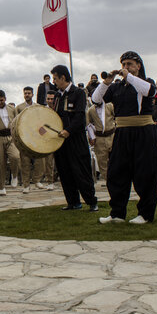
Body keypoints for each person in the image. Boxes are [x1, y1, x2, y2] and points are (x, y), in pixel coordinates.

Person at [93, 51, 157, 225]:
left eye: (130, 64)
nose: (126, 67)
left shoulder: (145, 83)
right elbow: (96, 99)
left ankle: (145, 214)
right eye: (124, 64)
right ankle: (117, 213)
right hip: (122, 132)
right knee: (116, 172)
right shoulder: (117, 87)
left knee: (145, 173)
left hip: (143, 131)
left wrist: (128, 76)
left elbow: (149, 91)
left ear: (138, 66)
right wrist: (106, 83)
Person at [51, 65, 98, 212]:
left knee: (81, 171)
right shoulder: (58, 95)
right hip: (61, 140)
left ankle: (92, 202)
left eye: (55, 78)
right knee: (65, 172)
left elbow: (79, 117)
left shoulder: (78, 93)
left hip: (76, 139)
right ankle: (73, 202)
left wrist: (68, 131)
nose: (54, 82)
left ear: (63, 77)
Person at [14, 86, 45, 193]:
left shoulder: (38, 107)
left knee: (39, 160)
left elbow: (42, 122)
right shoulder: (19, 108)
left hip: (36, 137)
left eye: (29, 93)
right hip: (24, 137)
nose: (27, 95)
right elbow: (16, 123)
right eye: (25, 93)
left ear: (32, 94)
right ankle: (26, 184)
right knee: (25, 161)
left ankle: (37, 180)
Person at [86, 100, 115, 182]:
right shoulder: (91, 110)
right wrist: (91, 137)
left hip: (111, 135)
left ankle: (117, 177)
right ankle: (108, 179)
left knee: (116, 158)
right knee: (102, 161)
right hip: (99, 138)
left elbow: (117, 117)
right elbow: (89, 125)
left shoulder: (110, 106)